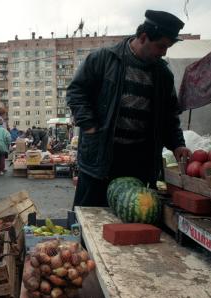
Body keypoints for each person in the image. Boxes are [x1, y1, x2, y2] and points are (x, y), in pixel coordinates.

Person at [67, 10, 192, 208]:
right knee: (90, 215)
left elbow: (169, 116)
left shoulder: (163, 75)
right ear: (143, 37)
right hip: (101, 155)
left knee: (130, 218)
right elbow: (76, 92)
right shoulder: (103, 59)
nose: (164, 53)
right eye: (161, 46)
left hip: (138, 161)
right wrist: (89, 126)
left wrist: (177, 144)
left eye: (167, 47)